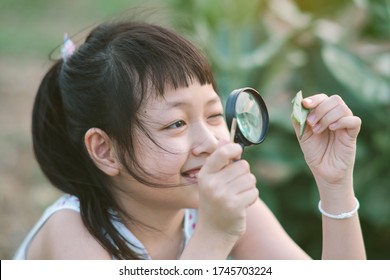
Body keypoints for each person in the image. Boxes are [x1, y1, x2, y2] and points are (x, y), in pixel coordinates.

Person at [14, 20, 366, 260]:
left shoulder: (216, 207)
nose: (210, 142)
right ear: (106, 151)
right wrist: (214, 237)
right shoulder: (74, 231)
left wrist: (334, 185)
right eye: (177, 123)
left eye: (214, 115)